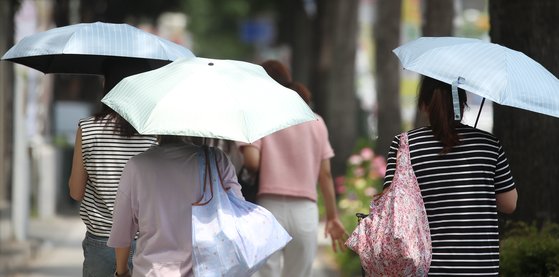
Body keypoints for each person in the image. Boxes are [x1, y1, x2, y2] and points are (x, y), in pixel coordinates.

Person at [383, 75, 518, 276]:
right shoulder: (488, 145)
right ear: (463, 105)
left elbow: (390, 205)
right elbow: (509, 204)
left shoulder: (404, 145)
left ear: (423, 105)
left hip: (423, 268)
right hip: (479, 268)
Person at [239, 60, 347, 277]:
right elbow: (325, 174)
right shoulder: (316, 122)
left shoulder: (261, 118)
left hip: (268, 207)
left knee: (267, 272)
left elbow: (252, 162)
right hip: (305, 211)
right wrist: (333, 216)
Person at [68, 59, 158, 277]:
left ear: (107, 88)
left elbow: (76, 191)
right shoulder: (157, 131)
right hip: (149, 241)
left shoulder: (88, 128)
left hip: (102, 242)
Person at [107, 136, 244, 276]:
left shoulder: (137, 165)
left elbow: (121, 231)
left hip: (151, 271)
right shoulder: (216, 160)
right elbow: (238, 210)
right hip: (208, 269)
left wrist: (122, 271)